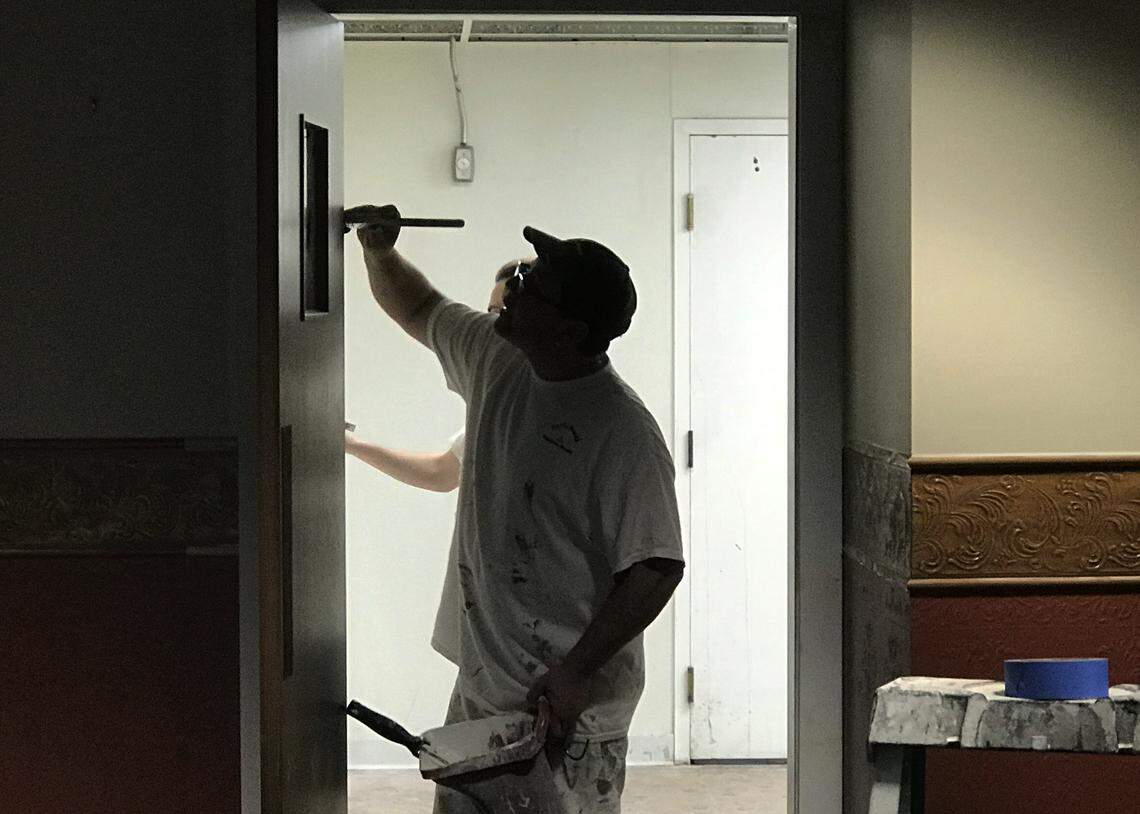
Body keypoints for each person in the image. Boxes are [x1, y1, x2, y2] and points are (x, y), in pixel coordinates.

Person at [349, 204, 685, 814]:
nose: (515, 288)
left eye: (535, 287)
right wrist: (379, 251)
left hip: (567, 717)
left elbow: (657, 565)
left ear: (571, 330)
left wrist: (577, 672)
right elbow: (419, 306)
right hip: (483, 692)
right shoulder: (497, 356)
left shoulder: (622, 430)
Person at [345, 263, 514, 665]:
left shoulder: (588, 414)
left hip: (531, 637)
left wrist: (379, 251)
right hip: (489, 635)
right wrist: (352, 445)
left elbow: (419, 306)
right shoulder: (493, 409)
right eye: (487, 313)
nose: (488, 327)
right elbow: (442, 473)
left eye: (501, 314)